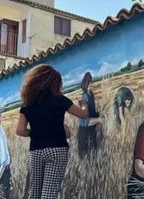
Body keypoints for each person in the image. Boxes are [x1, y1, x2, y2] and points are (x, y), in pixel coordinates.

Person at [16, 64, 89, 199]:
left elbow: (20, 130)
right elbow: (83, 115)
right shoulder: (60, 100)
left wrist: (36, 132)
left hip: (36, 152)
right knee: (49, 194)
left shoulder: (27, 104)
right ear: (55, 83)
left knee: (35, 193)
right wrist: (84, 105)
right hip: (56, 150)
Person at [78, 72, 103, 159]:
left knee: (94, 153)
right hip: (84, 131)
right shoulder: (84, 97)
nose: (91, 84)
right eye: (89, 82)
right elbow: (85, 121)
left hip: (91, 129)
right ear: (85, 83)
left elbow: (92, 112)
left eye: (91, 82)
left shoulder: (91, 94)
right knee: (87, 157)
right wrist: (98, 120)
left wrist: (99, 115)